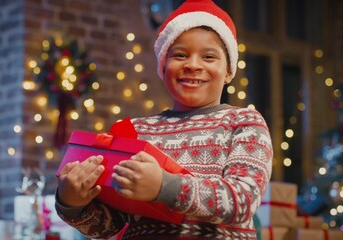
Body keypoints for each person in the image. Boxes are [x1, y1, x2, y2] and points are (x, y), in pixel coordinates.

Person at [55, 0, 273, 239]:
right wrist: (72, 202)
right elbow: (111, 225)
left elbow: (242, 201)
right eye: (180, 55)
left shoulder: (243, 123)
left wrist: (164, 186)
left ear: (229, 70)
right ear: (163, 66)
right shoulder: (135, 130)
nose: (192, 65)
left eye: (209, 57)